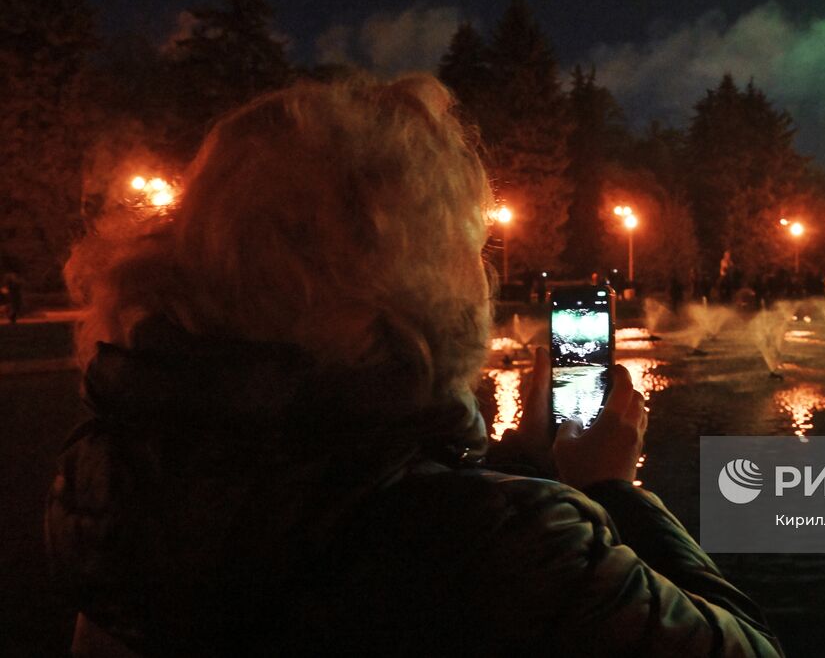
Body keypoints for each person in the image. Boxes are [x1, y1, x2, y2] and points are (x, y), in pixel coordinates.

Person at [49, 75, 782, 656]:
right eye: (462, 237)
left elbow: (329, 476)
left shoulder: (120, 481)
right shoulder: (493, 547)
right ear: (405, 274)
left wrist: (524, 459)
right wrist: (611, 490)